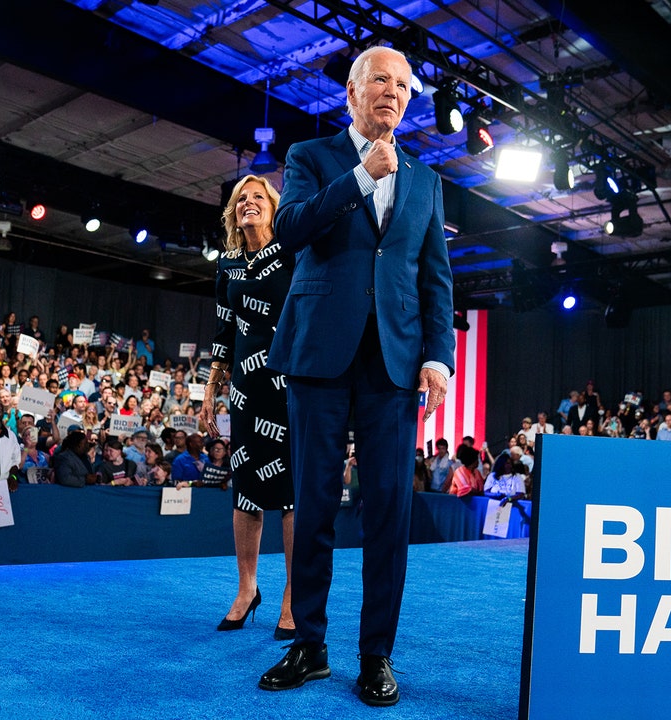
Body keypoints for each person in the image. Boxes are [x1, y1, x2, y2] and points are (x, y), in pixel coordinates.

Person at [257, 46, 454, 707]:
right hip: (318, 356)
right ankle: (308, 645)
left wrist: (438, 358)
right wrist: (362, 177)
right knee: (313, 505)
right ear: (351, 89)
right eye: (380, 80)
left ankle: (376, 654)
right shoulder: (311, 158)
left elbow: (434, 279)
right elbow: (289, 231)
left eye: (403, 85)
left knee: (390, 514)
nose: (393, 92)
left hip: (395, 367)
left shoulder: (428, 181)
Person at [193, 173, 299, 639]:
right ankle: (246, 589)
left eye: (258, 197)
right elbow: (224, 331)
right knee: (247, 490)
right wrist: (210, 389)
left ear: (274, 208)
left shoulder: (294, 253)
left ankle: (294, 596)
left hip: (291, 386)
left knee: (293, 493)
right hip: (244, 391)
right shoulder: (229, 264)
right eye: (241, 199)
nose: (249, 203)